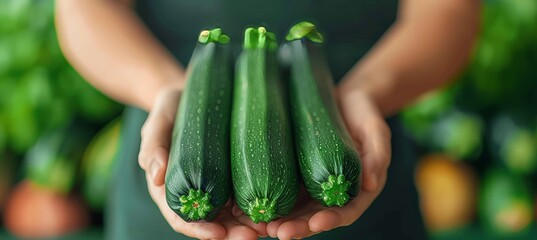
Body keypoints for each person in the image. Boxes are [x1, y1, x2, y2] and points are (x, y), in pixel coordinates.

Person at [55, 0, 480, 239]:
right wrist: (171, 91)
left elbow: (447, 13)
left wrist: (364, 93)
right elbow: (83, 9)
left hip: (362, 151)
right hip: (174, 153)